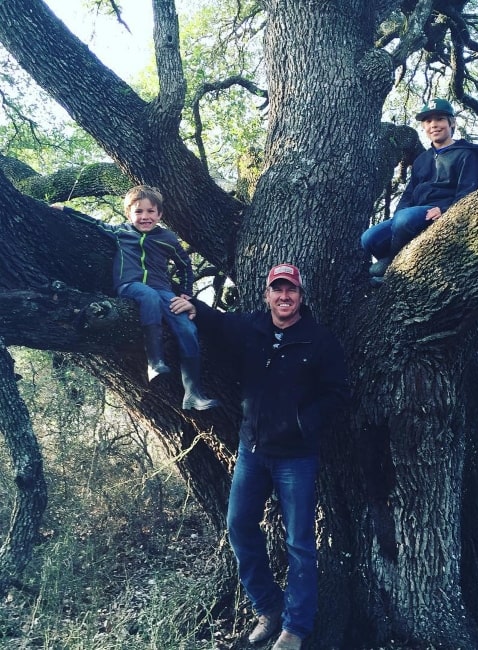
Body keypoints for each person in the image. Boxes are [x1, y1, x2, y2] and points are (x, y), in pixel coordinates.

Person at [170, 263, 349, 650]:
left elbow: (338, 392)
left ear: (301, 296)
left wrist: (304, 422)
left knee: (300, 543)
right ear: (267, 294)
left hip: (296, 459)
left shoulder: (319, 340)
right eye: (277, 289)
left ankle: (296, 628)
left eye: (291, 290)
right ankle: (269, 608)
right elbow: (219, 323)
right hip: (251, 451)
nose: (284, 296)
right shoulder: (252, 327)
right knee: (239, 528)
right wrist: (193, 308)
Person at [52, 185, 219, 411]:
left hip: (163, 290)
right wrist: (66, 210)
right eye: (138, 211)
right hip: (130, 285)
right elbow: (94, 223)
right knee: (147, 296)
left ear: (159, 214)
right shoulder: (122, 232)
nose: (145, 217)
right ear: (129, 214)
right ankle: (155, 362)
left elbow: (185, 266)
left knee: (187, 328)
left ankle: (193, 393)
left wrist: (185, 293)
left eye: (150, 211)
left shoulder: (168, 238)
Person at [361, 98, 478, 283]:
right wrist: (399, 213)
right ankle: (392, 258)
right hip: (412, 215)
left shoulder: (466, 154)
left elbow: (468, 191)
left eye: (439, 119)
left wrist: (445, 210)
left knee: (403, 220)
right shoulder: (422, 160)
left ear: (451, 123)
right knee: (369, 238)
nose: (433, 125)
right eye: (428, 121)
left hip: (437, 212)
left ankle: (391, 267)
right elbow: (409, 193)